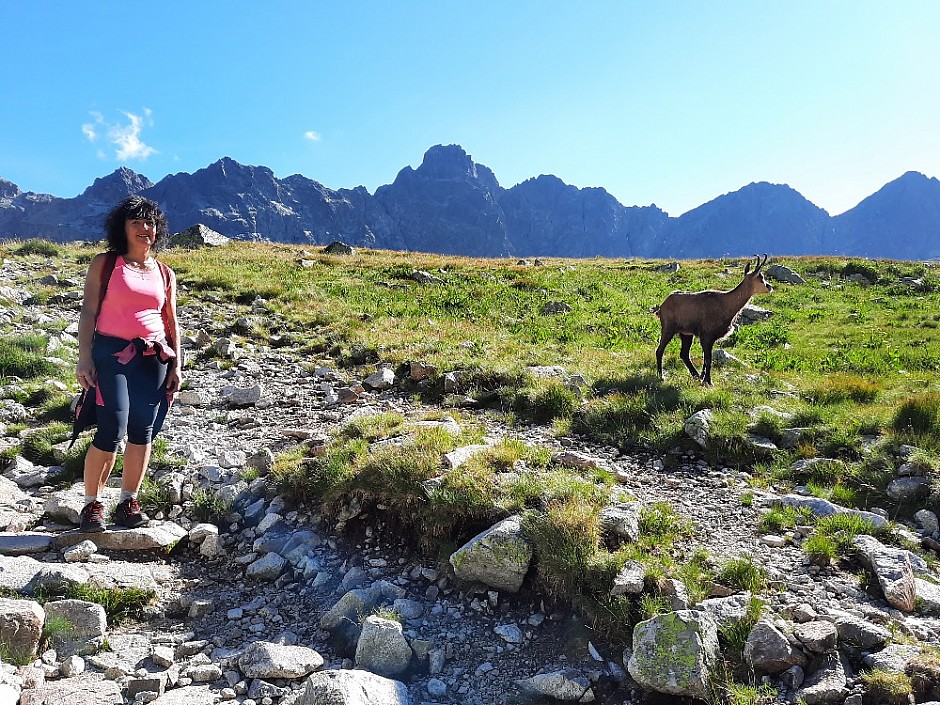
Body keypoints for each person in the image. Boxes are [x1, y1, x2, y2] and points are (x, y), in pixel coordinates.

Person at [75, 196, 181, 531]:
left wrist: (177, 365)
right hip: (111, 354)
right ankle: (92, 504)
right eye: (136, 222)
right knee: (112, 427)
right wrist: (84, 357)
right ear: (121, 227)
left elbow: (171, 321)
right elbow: (89, 311)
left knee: (143, 430)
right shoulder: (105, 264)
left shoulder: (164, 273)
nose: (145, 229)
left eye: (150, 223)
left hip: (154, 357)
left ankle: (128, 500)